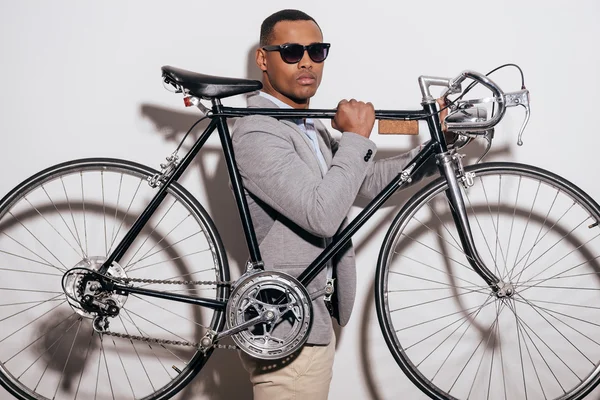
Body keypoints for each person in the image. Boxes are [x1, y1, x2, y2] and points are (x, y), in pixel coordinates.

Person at [232, 9, 444, 400]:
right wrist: (356, 137)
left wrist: (435, 150)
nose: (307, 61)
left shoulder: (308, 125)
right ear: (264, 59)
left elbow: (357, 186)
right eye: (292, 51)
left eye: (317, 50)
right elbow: (322, 215)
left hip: (312, 323)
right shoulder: (258, 130)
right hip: (286, 325)